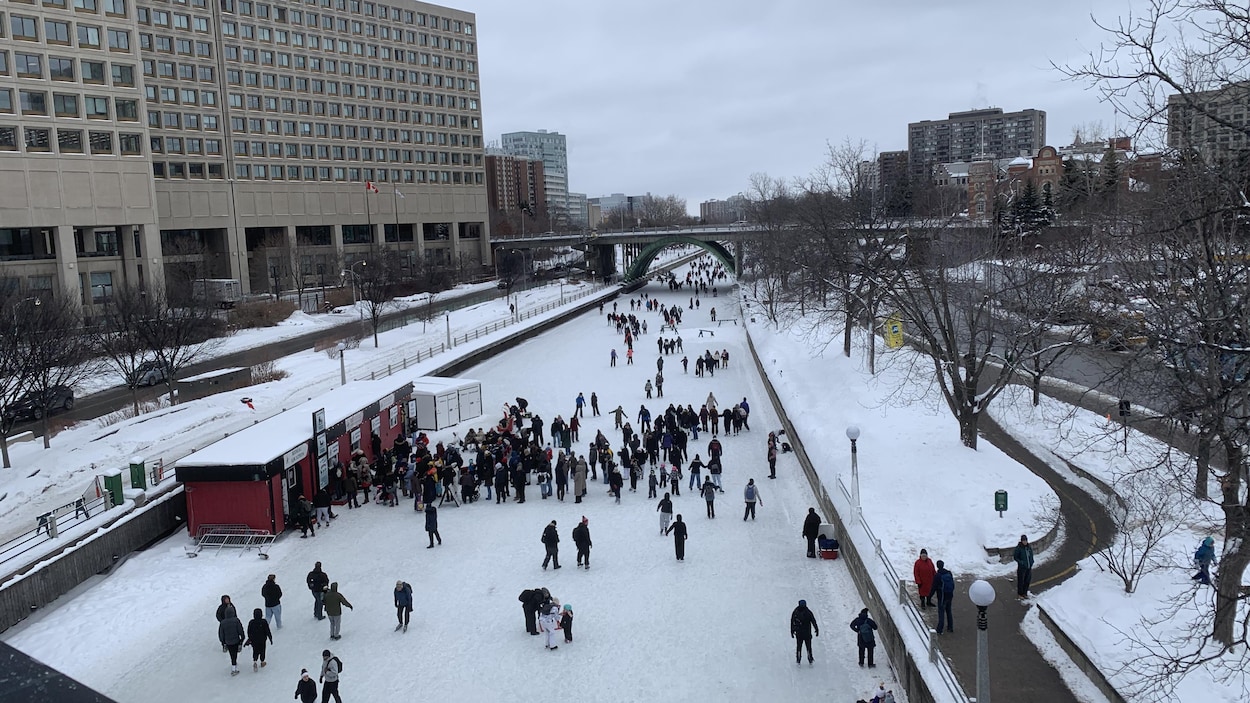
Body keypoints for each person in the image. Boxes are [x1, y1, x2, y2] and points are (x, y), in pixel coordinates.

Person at [790, 599, 819, 665]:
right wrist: (816, 629)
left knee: (799, 647)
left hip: (799, 633)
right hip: (807, 633)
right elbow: (813, 621)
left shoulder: (795, 612)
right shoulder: (808, 612)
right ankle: (810, 659)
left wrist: (792, 631)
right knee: (808, 647)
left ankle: (798, 659)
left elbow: (792, 622)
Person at [218, 608, 245, 676]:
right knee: (234, 654)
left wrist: (223, 642)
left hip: (228, 641)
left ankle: (234, 663)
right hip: (236, 640)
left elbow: (221, 634)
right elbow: (240, 629)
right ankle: (233, 668)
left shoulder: (223, 622)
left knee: (232, 654)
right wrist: (242, 637)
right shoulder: (236, 620)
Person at [245, 607, 273, 672]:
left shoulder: (251, 622)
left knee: (255, 650)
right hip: (262, 640)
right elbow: (267, 631)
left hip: (254, 640)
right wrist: (270, 638)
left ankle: (255, 661)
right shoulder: (264, 622)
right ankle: (262, 662)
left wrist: (250, 638)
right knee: (262, 650)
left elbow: (249, 631)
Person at [935, 560, 955, 634]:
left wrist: (929, 597)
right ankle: (950, 627)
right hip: (949, 595)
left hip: (942, 597)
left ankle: (940, 629)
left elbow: (934, 587)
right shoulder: (949, 573)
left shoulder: (938, 575)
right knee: (949, 611)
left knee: (941, 612)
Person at [1013, 534, 1035, 599]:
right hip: (1022, 568)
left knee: (1027, 580)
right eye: (1024, 541)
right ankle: (1020, 593)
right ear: (1021, 541)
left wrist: (1031, 561)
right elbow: (1015, 557)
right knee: (1021, 581)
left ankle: (1025, 593)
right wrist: (1021, 563)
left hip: (1028, 567)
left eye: (1026, 540)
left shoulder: (1028, 547)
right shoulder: (1019, 548)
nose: (1025, 542)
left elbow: (1031, 555)